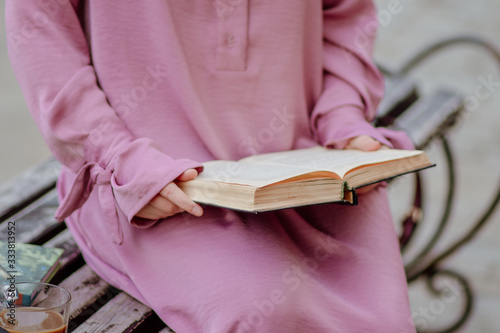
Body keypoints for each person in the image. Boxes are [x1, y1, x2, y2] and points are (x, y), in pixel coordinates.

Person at [6, 0, 417, 331]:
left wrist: (342, 117)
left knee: (383, 317)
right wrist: (117, 158)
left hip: (311, 172)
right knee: (259, 313)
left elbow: (346, 15)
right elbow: (42, 29)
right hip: (157, 187)